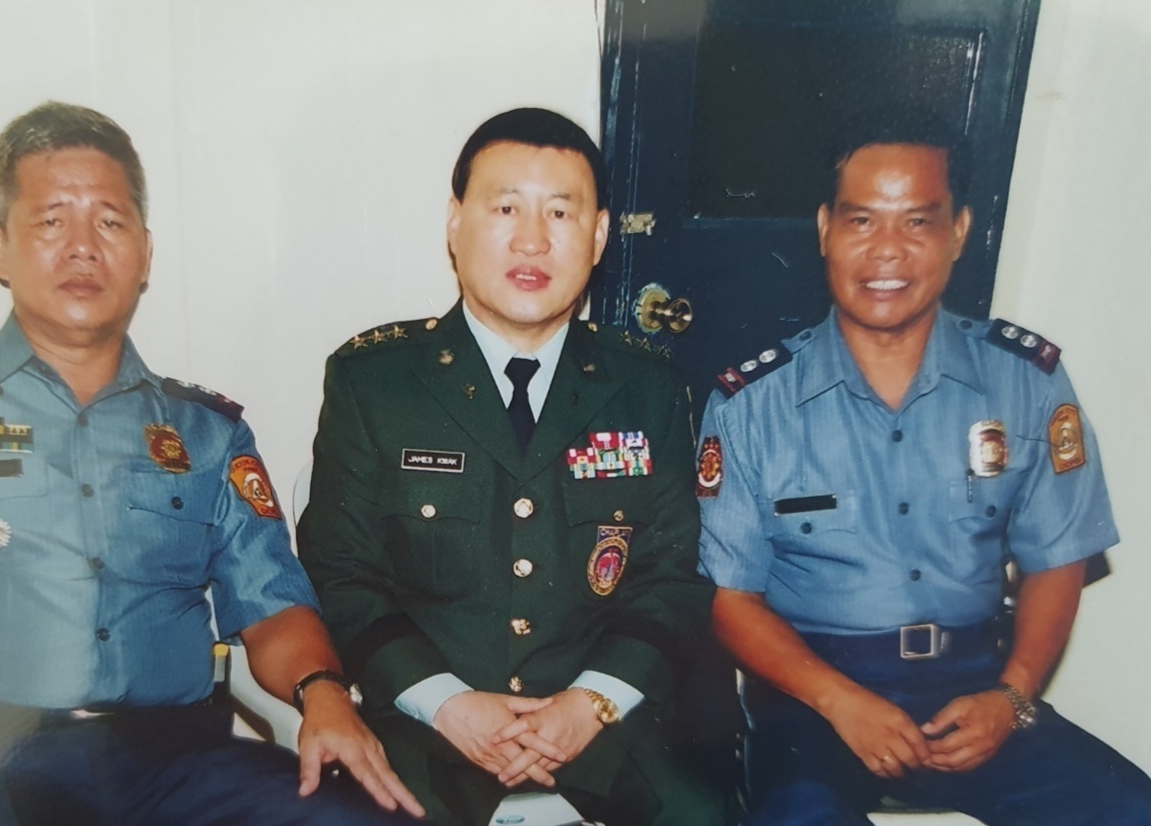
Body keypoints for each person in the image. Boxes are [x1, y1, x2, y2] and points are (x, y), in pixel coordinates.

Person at [0, 101, 423, 826]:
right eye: (51, 221)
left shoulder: (206, 432)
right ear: (0, 249)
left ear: (145, 254)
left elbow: (273, 609)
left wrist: (323, 693)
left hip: (178, 764)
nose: (83, 248)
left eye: (109, 222)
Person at [696, 110, 1151, 825]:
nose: (887, 251)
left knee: (1129, 808)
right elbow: (731, 600)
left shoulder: (1025, 383)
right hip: (813, 699)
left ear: (958, 232)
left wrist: (1012, 696)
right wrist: (840, 701)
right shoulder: (752, 406)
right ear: (824, 230)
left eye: (916, 222)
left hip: (979, 685)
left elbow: (1058, 558)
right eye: (861, 221)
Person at [297, 107, 725, 826]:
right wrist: (446, 704)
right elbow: (341, 572)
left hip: (610, 733)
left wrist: (591, 703)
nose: (532, 239)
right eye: (505, 209)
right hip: (429, 734)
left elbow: (672, 577)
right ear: (454, 222)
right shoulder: (375, 383)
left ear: (598, 236)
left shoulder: (647, 387)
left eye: (560, 212)